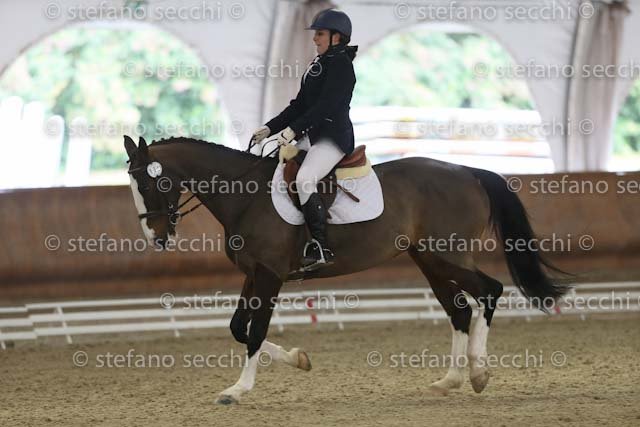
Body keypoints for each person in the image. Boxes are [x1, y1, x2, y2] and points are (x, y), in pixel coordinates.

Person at [250, 8, 358, 272]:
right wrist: (270, 128)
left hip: (332, 138)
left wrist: (292, 131)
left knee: (305, 179)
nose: (315, 39)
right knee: (275, 167)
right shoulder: (319, 64)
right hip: (311, 135)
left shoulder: (342, 65)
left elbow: (325, 107)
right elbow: (299, 105)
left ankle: (320, 247)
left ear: (336, 37)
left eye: (320, 34)